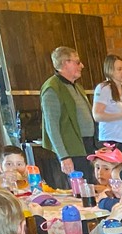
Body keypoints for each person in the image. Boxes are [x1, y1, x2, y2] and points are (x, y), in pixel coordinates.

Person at [39, 46, 96, 185]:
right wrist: (63, 156)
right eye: (77, 62)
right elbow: (52, 127)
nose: (82, 66)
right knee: (80, 189)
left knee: (91, 187)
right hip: (72, 150)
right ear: (65, 63)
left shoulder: (76, 86)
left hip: (87, 146)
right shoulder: (52, 88)